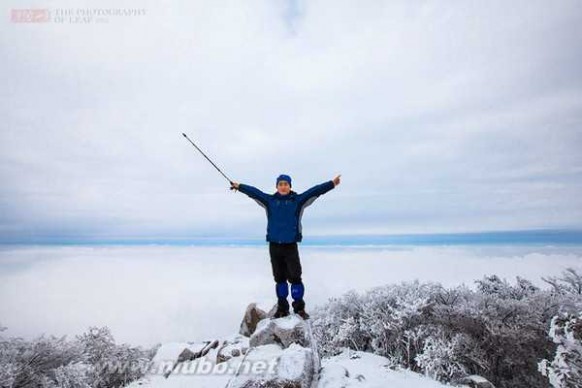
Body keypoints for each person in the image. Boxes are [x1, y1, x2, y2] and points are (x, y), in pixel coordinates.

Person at [230, 174, 341, 319]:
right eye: (280, 184)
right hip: (274, 246)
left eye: (286, 184)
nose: (283, 186)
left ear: (290, 186)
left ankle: (299, 308)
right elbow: (254, 193)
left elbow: (315, 191)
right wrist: (240, 187)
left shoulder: (298, 201)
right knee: (280, 279)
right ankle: (282, 308)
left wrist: (331, 184)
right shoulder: (270, 201)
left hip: (290, 246)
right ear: (276, 186)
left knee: (295, 278)